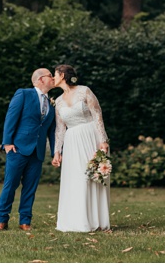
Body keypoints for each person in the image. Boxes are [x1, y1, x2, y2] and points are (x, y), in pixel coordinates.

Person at [50, 64, 112, 232]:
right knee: (76, 179)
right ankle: (77, 221)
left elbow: (97, 115)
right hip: (72, 141)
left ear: (63, 75)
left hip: (90, 136)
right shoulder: (58, 101)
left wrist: (103, 140)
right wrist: (57, 151)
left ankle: (96, 220)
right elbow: (60, 129)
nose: (53, 78)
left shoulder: (84, 91)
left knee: (91, 176)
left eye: (55, 74)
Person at [0, 68, 57, 231]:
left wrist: (56, 152)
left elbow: (51, 131)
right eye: (50, 76)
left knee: (30, 188)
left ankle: (25, 221)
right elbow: (11, 117)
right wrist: (7, 143)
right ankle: (2, 220)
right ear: (41, 79)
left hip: (38, 152)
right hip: (18, 149)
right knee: (10, 185)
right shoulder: (23, 94)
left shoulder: (52, 103)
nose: (53, 78)